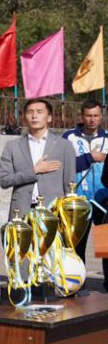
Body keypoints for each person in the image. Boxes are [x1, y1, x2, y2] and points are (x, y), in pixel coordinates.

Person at [0, 97, 75, 216]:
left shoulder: (64, 146)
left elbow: (70, 185)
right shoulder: (12, 146)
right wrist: (34, 171)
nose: (34, 116)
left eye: (39, 112)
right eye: (30, 112)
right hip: (21, 211)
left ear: (49, 118)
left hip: (53, 211)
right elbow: (4, 180)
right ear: (25, 117)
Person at [63, 99, 108, 289]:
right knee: (76, 246)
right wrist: (90, 158)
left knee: (105, 246)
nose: (92, 119)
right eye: (88, 115)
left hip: (103, 200)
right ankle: (76, 283)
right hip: (78, 200)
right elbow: (64, 166)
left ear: (101, 116)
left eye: (96, 115)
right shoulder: (69, 137)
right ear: (82, 116)